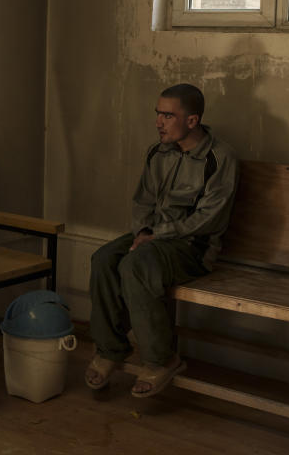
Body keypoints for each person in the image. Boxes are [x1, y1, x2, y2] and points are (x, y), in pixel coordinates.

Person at [85, 83, 238, 397]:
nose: (158, 122)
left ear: (192, 121)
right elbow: (142, 201)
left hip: (193, 247)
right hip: (153, 238)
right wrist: (142, 233)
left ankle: (160, 359)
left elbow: (209, 218)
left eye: (168, 116)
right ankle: (111, 348)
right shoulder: (158, 152)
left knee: (136, 265)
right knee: (103, 258)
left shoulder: (219, 158)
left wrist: (157, 236)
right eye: (158, 114)